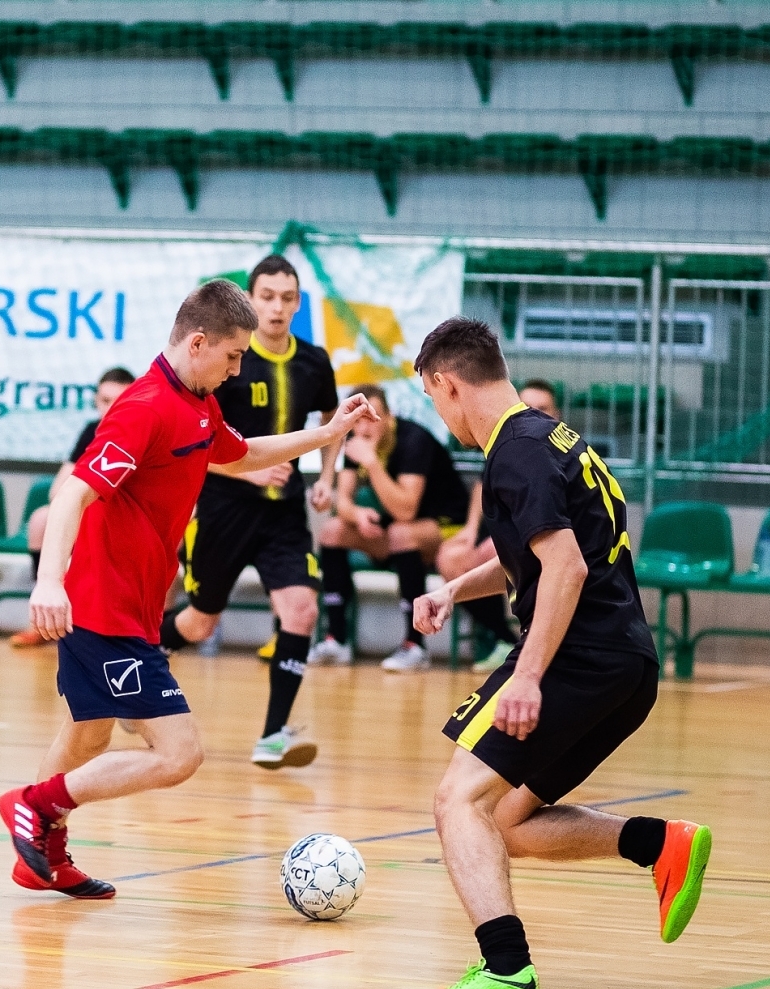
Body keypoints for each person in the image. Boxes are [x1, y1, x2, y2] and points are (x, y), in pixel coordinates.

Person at [0, 279, 375, 899]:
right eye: (231, 356)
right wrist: (48, 583)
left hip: (137, 605)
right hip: (102, 604)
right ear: (198, 342)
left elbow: (241, 453)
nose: (238, 369)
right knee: (178, 755)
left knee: (87, 732)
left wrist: (328, 434)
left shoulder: (197, 402)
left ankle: (41, 851)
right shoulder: (145, 408)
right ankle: (32, 805)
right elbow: (73, 495)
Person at [410, 317, 709, 989]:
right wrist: (454, 588)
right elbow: (540, 557)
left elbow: (566, 569)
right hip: (624, 662)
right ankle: (658, 845)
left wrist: (527, 675)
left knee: (457, 799)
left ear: (445, 383)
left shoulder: (513, 452)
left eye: (433, 398)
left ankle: (506, 970)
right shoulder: (551, 437)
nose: (440, 411)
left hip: (579, 655)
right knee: (505, 819)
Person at [155, 256, 341, 769]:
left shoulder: (314, 362)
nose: (277, 307)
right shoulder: (228, 361)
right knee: (199, 623)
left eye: (287, 298)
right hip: (223, 511)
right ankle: (141, 665)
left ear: (298, 304)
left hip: (283, 516)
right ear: (252, 299)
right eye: (267, 296)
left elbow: (330, 417)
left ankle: (273, 735)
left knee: (301, 610)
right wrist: (246, 469)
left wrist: (325, 477)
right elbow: (191, 441)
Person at [312, 384, 470, 672]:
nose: (364, 426)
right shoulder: (356, 440)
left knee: (400, 533)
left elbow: (406, 510)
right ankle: (337, 639)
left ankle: (415, 646)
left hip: (448, 526)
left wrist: (372, 463)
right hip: (399, 531)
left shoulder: (413, 440)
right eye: (357, 419)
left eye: (372, 417)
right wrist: (357, 514)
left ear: (389, 417)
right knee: (332, 531)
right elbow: (342, 503)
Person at [438, 379, 562, 673]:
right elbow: (481, 486)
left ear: (556, 413)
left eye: (542, 408)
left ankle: (516, 641)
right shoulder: (509, 443)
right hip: (499, 529)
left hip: (534, 535)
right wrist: (469, 529)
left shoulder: (558, 450)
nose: (535, 414)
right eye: (528, 407)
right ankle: (498, 636)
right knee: (449, 556)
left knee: (486, 556)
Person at [9, 367, 135, 648]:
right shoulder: (91, 431)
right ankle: (44, 613)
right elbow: (59, 490)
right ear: (95, 400)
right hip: (93, 514)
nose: (110, 408)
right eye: (105, 400)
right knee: (42, 519)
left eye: (119, 400)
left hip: (128, 522)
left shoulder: (139, 431)